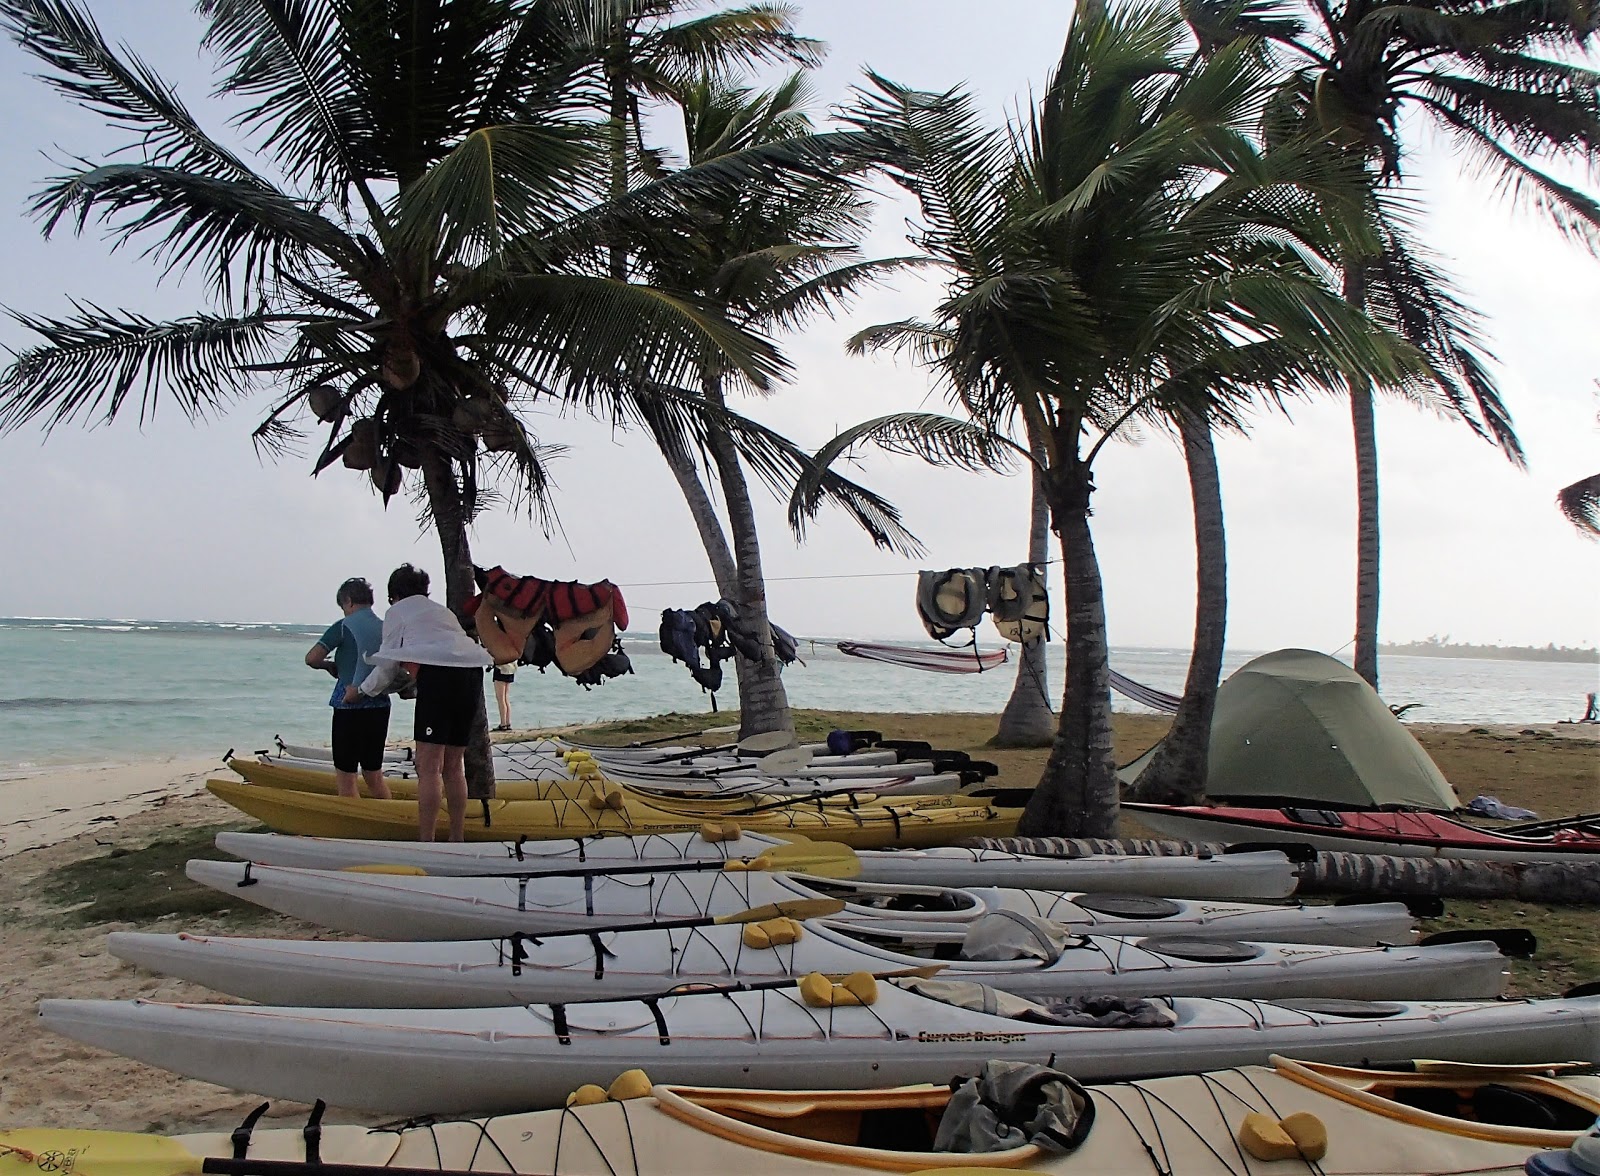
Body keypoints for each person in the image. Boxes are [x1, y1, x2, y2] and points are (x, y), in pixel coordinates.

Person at [351, 564, 491, 841]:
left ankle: (426, 840)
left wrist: (361, 691)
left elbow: (388, 664)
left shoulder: (397, 611)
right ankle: (456, 837)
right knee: (453, 766)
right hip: (472, 674)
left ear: (394, 595)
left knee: (428, 768)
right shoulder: (441, 611)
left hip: (440, 678)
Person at [305, 577, 392, 800]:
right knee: (374, 774)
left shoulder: (343, 626)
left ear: (349, 601)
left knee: (346, 775)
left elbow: (312, 658)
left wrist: (329, 666)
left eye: (343, 606)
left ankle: (355, 824)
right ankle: (388, 818)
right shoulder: (385, 628)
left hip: (348, 705)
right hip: (379, 703)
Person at [491, 661, 516, 731]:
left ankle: (503, 723)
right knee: (506, 697)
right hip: (511, 669)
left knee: (500, 698)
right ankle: (507, 722)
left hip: (501, 669)